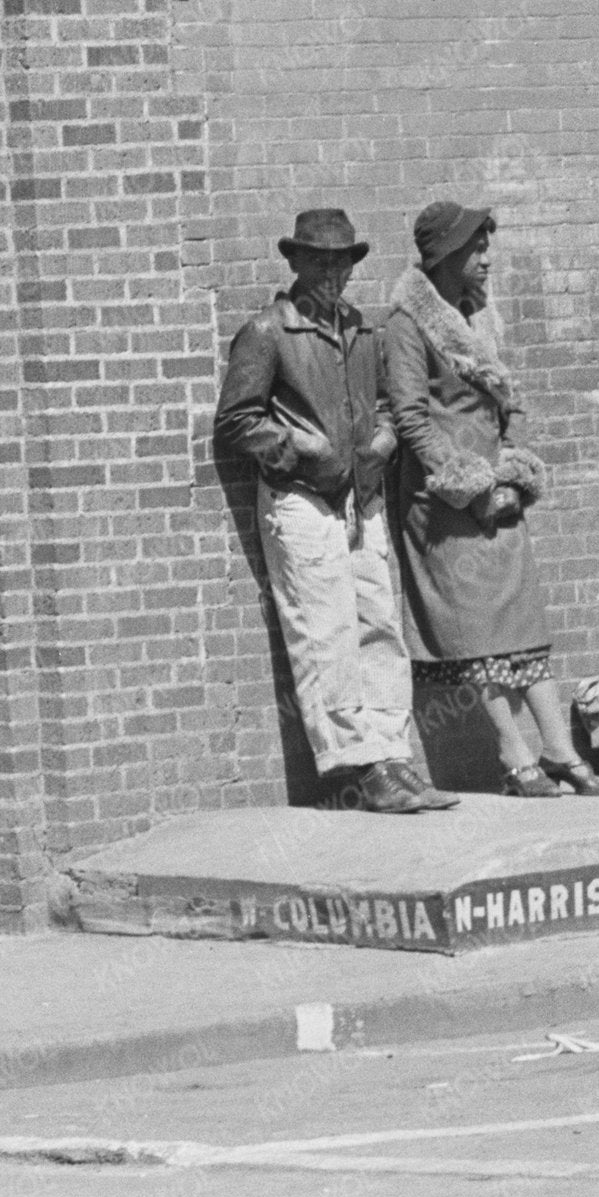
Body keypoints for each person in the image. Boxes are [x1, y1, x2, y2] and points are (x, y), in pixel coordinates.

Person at [377, 197, 599, 797]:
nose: (487, 258)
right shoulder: (407, 327)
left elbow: (501, 408)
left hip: (496, 492)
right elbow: (411, 421)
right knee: (478, 631)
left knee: (522, 620)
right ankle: (515, 756)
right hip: (444, 502)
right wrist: (469, 489)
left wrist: (509, 473)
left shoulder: (478, 315)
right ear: (445, 257)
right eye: (476, 248)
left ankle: (558, 749)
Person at [219, 204, 443, 813]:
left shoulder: (361, 331)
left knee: (379, 624)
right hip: (302, 499)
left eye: (341, 262)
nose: (331, 273)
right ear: (293, 261)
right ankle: (353, 768)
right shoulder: (268, 332)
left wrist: (385, 441)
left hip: (362, 495)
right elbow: (237, 422)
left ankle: (392, 756)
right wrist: (298, 448)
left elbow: (389, 405)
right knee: (327, 631)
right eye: (318, 261)